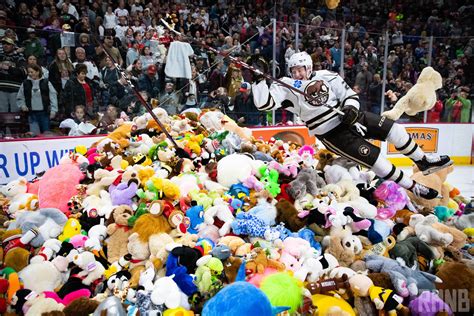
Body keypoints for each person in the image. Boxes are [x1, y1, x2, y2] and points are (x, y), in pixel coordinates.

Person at [251, 52, 453, 200]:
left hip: (353, 117)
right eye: (294, 70)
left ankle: (423, 160)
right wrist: (259, 80)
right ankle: (414, 186)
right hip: (333, 134)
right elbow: (264, 103)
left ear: (309, 67)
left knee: (395, 129)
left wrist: (351, 109)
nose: (298, 73)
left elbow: (348, 95)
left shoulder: (327, 76)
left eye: (301, 69)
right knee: (377, 160)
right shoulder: (285, 86)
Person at [16, 64, 58, 134]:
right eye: (28, 72)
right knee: (34, 135)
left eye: (32, 72)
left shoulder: (46, 82)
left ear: (38, 72)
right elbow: (20, 97)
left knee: (46, 135)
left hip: (44, 114)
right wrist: (22, 105)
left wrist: (54, 110)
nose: (30, 74)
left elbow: (53, 97)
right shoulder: (25, 83)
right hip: (31, 114)